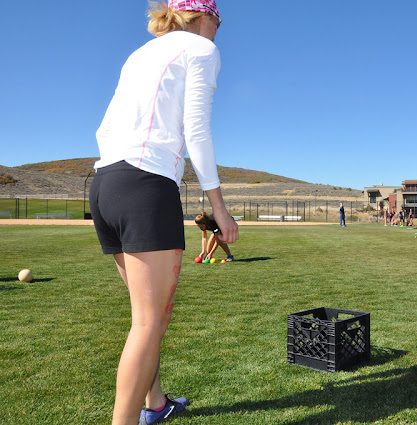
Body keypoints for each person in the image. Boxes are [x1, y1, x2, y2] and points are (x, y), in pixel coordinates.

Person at [89, 2, 239, 424]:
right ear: (202, 17)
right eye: (218, 19)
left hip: (106, 184)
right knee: (149, 323)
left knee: (147, 319)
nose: (219, 28)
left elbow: (107, 127)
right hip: (146, 185)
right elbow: (197, 129)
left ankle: (155, 404)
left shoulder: (140, 54)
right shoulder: (201, 49)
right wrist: (219, 207)